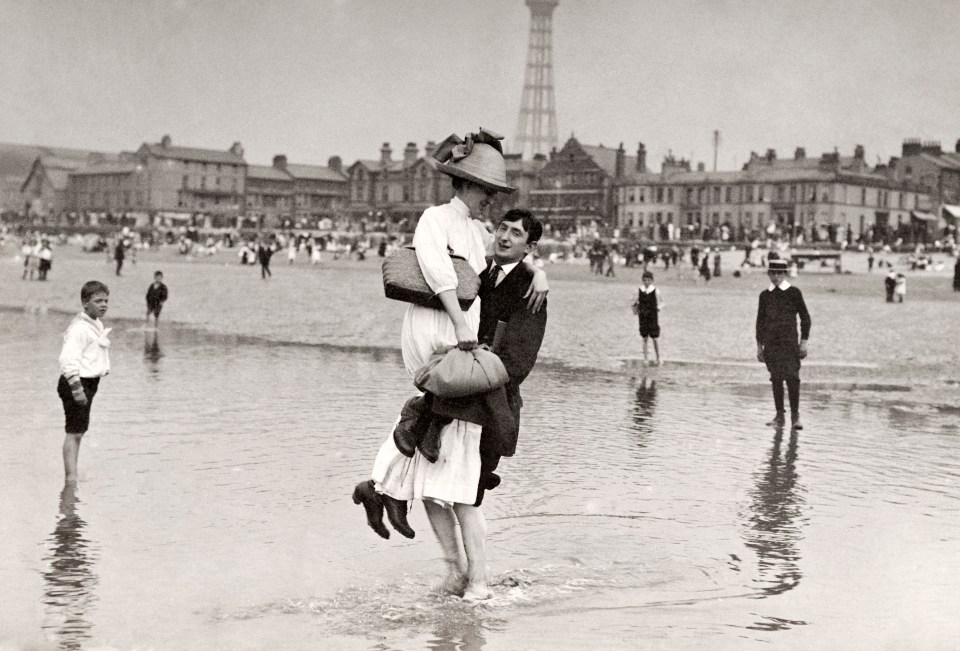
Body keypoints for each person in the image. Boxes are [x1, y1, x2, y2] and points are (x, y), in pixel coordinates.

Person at [355, 130, 548, 602]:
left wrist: (538, 270)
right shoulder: (468, 242)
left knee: (462, 492)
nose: (498, 224)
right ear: (467, 186)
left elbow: (516, 361)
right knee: (433, 482)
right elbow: (448, 276)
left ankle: (475, 578)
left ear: (527, 247)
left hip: (480, 391)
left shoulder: (523, 281)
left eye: (515, 232)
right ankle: (454, 569)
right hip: (454, 373)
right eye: (491, 200)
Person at [57, 281, 111, 483]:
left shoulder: (95, 322)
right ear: (85, 303)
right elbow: (67, 360)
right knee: (74, 432)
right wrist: (77, 389)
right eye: (98, 301)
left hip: (88, 383)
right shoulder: (79, 328)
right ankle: (71, 479)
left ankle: (72, 475)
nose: (103, 305)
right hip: (76, 383)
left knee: (78, 431)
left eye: (106, 301)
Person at [756, 259, 811, 431]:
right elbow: (760, 322)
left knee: (793, 379)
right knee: (776, 379)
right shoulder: (765, 295)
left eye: (779, 273)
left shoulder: (794, 292)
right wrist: (759, 346)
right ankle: (779, 416)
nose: (775, 277)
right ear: (768, 274)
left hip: (790, 344)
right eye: (772, 273)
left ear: (785, 274)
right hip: (771, 345)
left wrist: (804, 342)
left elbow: (805, 318)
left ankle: (795, 417)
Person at [635, 270, 664, 366]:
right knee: (644, 338)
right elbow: (635, 302)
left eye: (648, 280)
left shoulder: (656, 290)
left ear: (652, 281)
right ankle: (646, 358)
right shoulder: (640, 290)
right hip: (643, 316)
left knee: (655, 338)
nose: (646, 282)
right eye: (645, 280)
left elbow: (662, 302)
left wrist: (658, 308)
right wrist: (636, 309)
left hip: (652, 316)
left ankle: (658, 356)